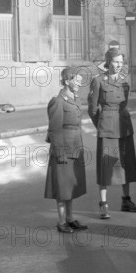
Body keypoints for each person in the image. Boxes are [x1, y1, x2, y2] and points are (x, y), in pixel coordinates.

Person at [88, 48, 136, 219]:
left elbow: (124, 105)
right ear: (108, 62)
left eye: (121, 62)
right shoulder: (98, 81)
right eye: (115, 61)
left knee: (126, 164)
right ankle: (103, 204)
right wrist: (102, 125)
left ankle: (126, 200)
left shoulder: (125, 82)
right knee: (106, 166)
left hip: (124, 127)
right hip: (108, 129)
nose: (118, 65)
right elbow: (92, 109)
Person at [44, 67, 88, 233]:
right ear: (67, 81)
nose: (79, 83)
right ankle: (61, 221)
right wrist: (60, 153)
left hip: (75, 148)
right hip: (62, 151)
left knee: (70, 187)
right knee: (62, 188)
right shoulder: (58, 101)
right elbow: (54, 129)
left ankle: (70, 218)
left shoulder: (75, 99)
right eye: (76, 80)